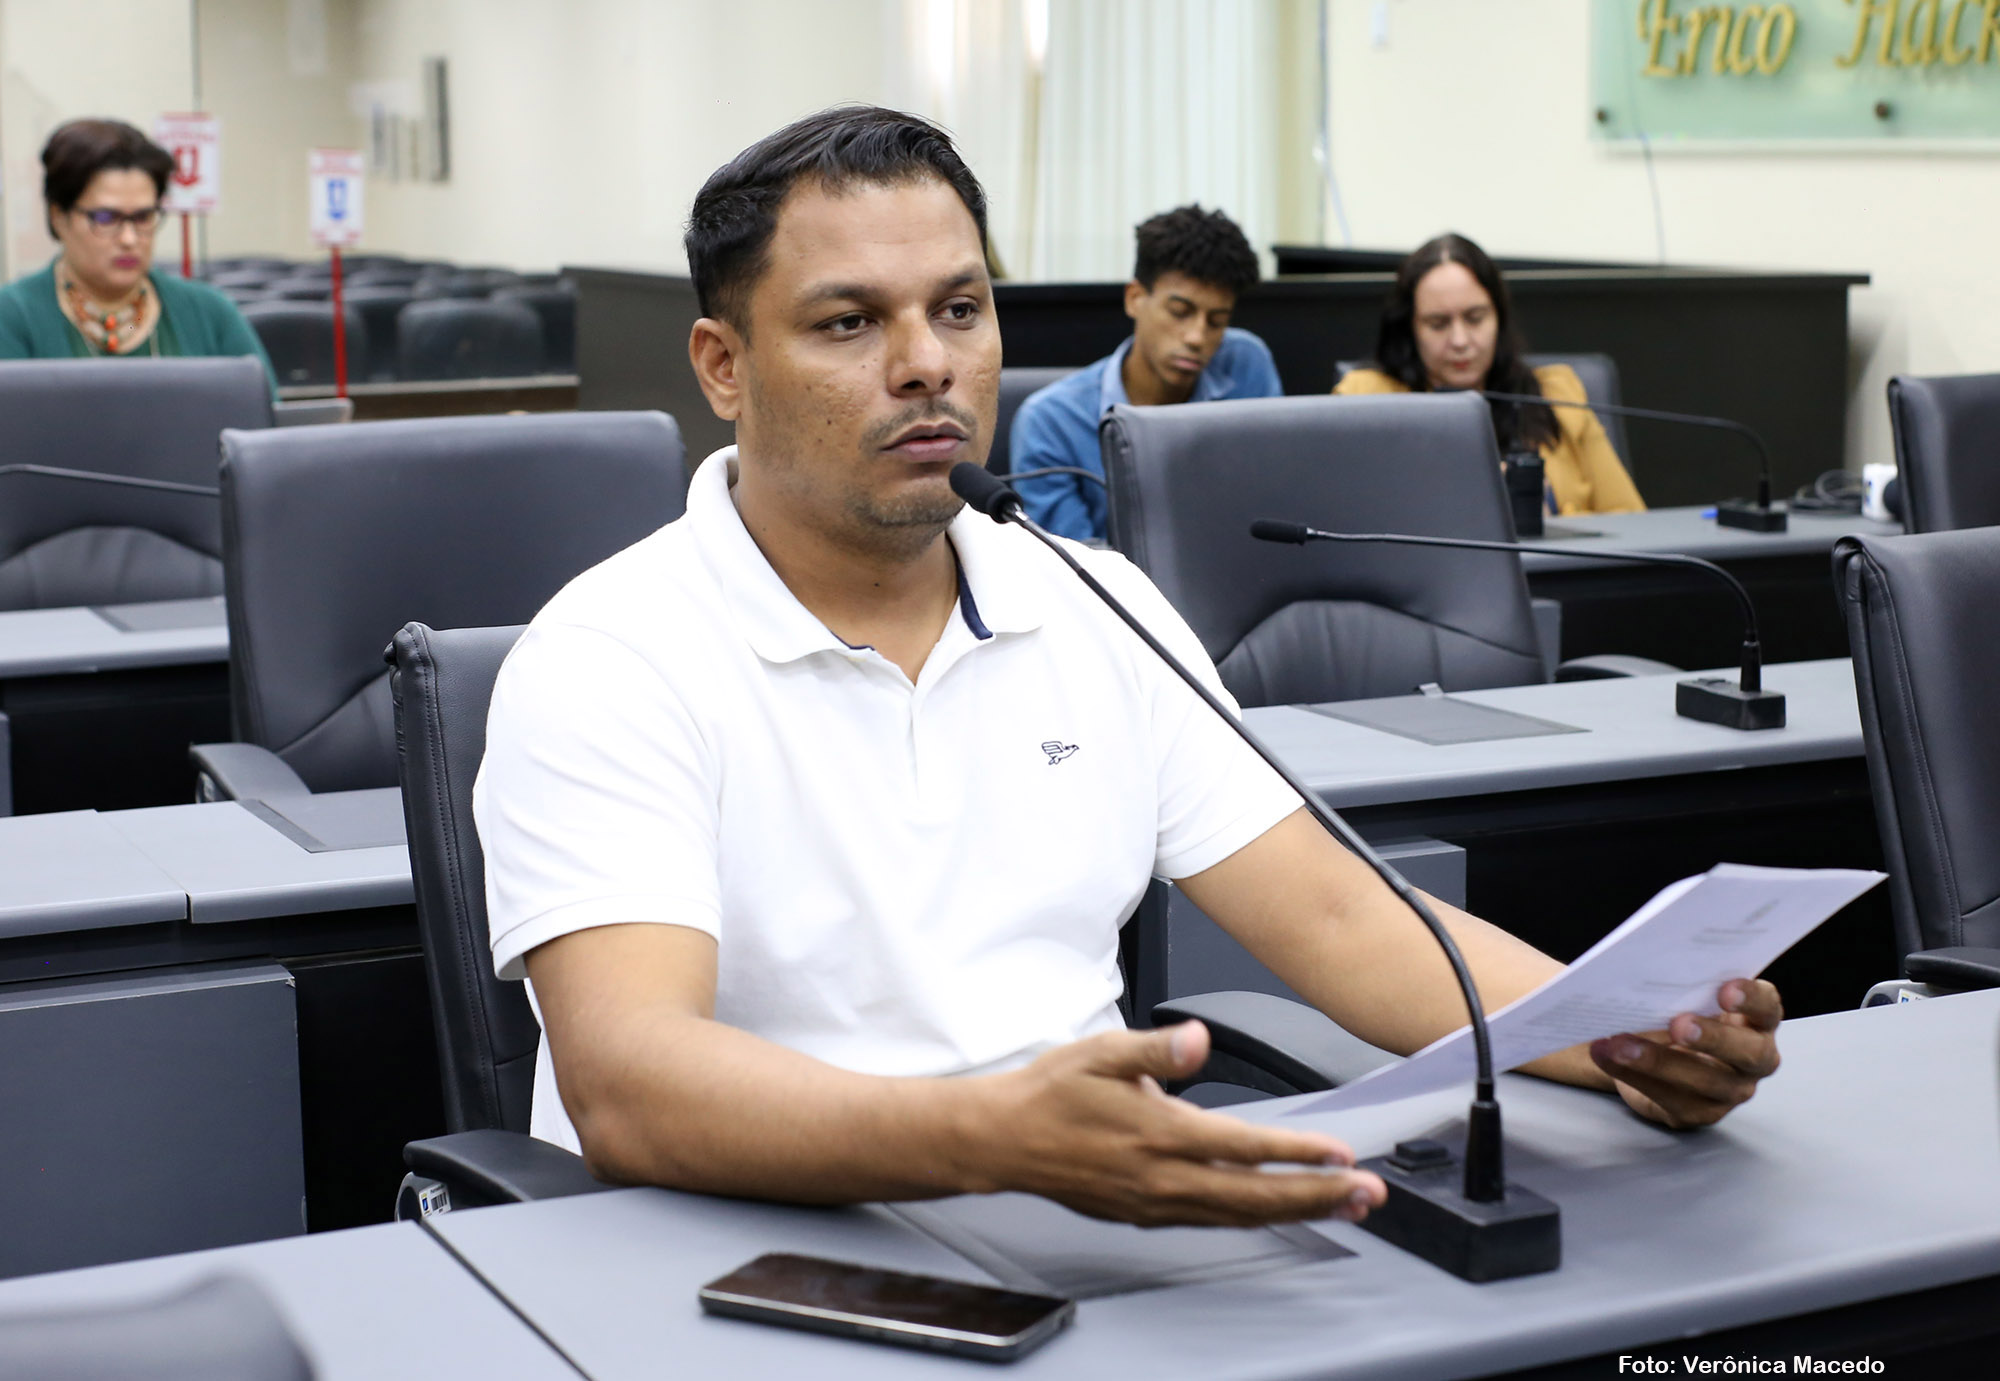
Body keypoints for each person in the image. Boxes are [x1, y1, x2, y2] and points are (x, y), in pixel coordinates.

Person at [475, 107, 1781, 1229]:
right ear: (724, 366)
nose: (926, 363)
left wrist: (1619, 1036)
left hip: (1082, 1226)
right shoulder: (610, 654)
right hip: (730, 1254)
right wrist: (987, 1137)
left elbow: (1340, 919)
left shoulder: (1093, 603)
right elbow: (632, 1083)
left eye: (960, 310)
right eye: (849, 322)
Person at [1008, 205, 1282, 542]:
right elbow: (1070, 562)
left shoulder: (1246, 364)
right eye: (1179, 312)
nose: (1197, 337)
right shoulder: (1051, 422)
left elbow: (1272, 499)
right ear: (1135, 298)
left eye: (1217, 321)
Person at [1336, 233, 1644, 516]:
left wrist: (1547, 520)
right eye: (1438, 324)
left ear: (1498, 317)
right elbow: (1346, 520)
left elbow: (1632, 521)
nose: (1460, 341)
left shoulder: (1558, 393)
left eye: (1475, 318)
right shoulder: (1366, 399)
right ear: (1410, 328)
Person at [0, 119, 275, 388]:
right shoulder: (12, 316)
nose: (129, 239)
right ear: (59, 217)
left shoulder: (210, 313)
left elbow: (260, 410)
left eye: (144, 217)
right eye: (106, 218)